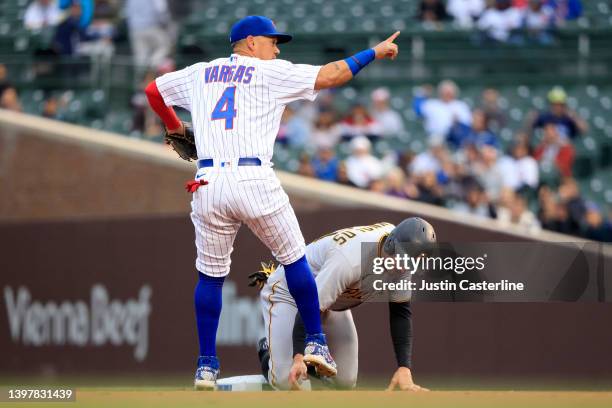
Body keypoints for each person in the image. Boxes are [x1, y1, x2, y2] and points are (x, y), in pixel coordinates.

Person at [144, 15, 401, 389]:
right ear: (250, 42)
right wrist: (373, 52)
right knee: (295, 259)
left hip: (208, 181)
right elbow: (332, 75)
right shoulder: (269, 73)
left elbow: (153, 92)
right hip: (253, 177)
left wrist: (171, 125)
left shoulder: (200, 72)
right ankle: (316, 341)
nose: (277, 48)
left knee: (211, 277)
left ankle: (205, 366)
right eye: (271, 41)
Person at [253, 218, 435, 390]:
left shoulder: (402, 256)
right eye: (404, 259)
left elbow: (400, 313)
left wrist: (404, 368)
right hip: (291, 292)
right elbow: (309, 303)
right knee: (286, 381)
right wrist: (298, 356)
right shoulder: (352, 258)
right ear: (390, 244)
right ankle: (266, 351)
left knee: (345, 381)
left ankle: (305, 368)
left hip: (330, 298)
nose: (405, 267)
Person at [125, 0, 173, 71]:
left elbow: (126, 13)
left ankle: (142, 76)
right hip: (152, 26)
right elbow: (161, 10)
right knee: (165, 46)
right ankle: (152, 67)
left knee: (141, 56)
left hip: (135, 29)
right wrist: (165, 24)